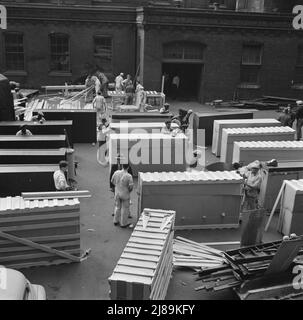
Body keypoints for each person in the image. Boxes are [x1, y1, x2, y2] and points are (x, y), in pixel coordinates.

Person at [111, 163, 134, 228]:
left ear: (122, 166)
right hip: (125, 194)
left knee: (117, 207)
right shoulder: (129, 176)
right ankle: (123, 223)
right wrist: (128, 191)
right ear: (128, 167)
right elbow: (131, 187)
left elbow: (112, 181)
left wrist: (117, 186)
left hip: (117, 193)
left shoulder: (116, 172)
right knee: (125, 208)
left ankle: (115, 221)